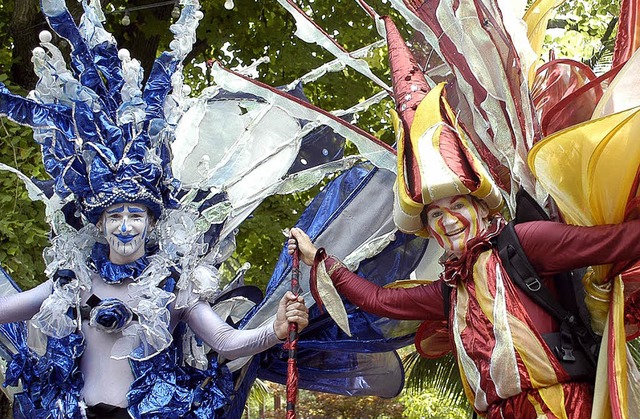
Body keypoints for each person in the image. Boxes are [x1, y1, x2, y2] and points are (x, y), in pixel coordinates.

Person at [288, 192, 640, 418]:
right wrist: (318, 258)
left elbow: (617, 243)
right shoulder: (449, 288)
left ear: (484, 208)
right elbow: (379, 300)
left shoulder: (526, 243)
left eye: (457, 205)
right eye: (434, 214)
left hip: (560, 407)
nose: (447, 218)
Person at [0, 200, 308, 418]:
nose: (125, 226)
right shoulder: (72, 283)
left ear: (151, 223)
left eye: (135, 216)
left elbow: (226, 341)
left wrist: (276, 329)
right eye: (114, 216)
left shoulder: (173, 287)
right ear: (100, 224)